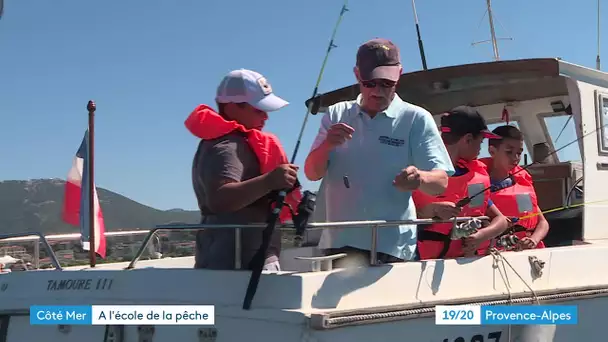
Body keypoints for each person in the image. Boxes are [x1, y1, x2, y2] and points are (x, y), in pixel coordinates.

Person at [304, 38, 455, 267]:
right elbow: (311, 173)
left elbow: (441, 181)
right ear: (357, 75)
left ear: (399, 75)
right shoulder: (335, 114)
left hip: (393, 247)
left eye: (386, 83)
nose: (377, 90)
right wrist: (326, 146)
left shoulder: (416, 118)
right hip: (338, 244)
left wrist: (419, 178)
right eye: (370, 82)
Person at [186, 69, 302, 271]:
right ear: (231, 107)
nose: (266, 116)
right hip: (238, 266)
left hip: (234, 260)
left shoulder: (225, 141)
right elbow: (219, 199)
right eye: (258, 109)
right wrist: (270, 181)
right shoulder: (228, 147)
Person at [413, 106, 510, 259]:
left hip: (464, 263)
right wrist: (431, 210)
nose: (481, 148)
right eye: (481, 140)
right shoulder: (419, 172)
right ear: (468, 140)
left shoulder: (473, 175)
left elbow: (502, 220)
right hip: (422, 264)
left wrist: (481, 235)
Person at [479, 125, 548, 250]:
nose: (515, 158)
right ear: (492, 151)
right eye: (509, 152)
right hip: (495, 252)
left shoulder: (522, 184)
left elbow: (542, 222)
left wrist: (534, 239)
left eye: (519, 153)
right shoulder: (478, 186)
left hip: (528, 251)